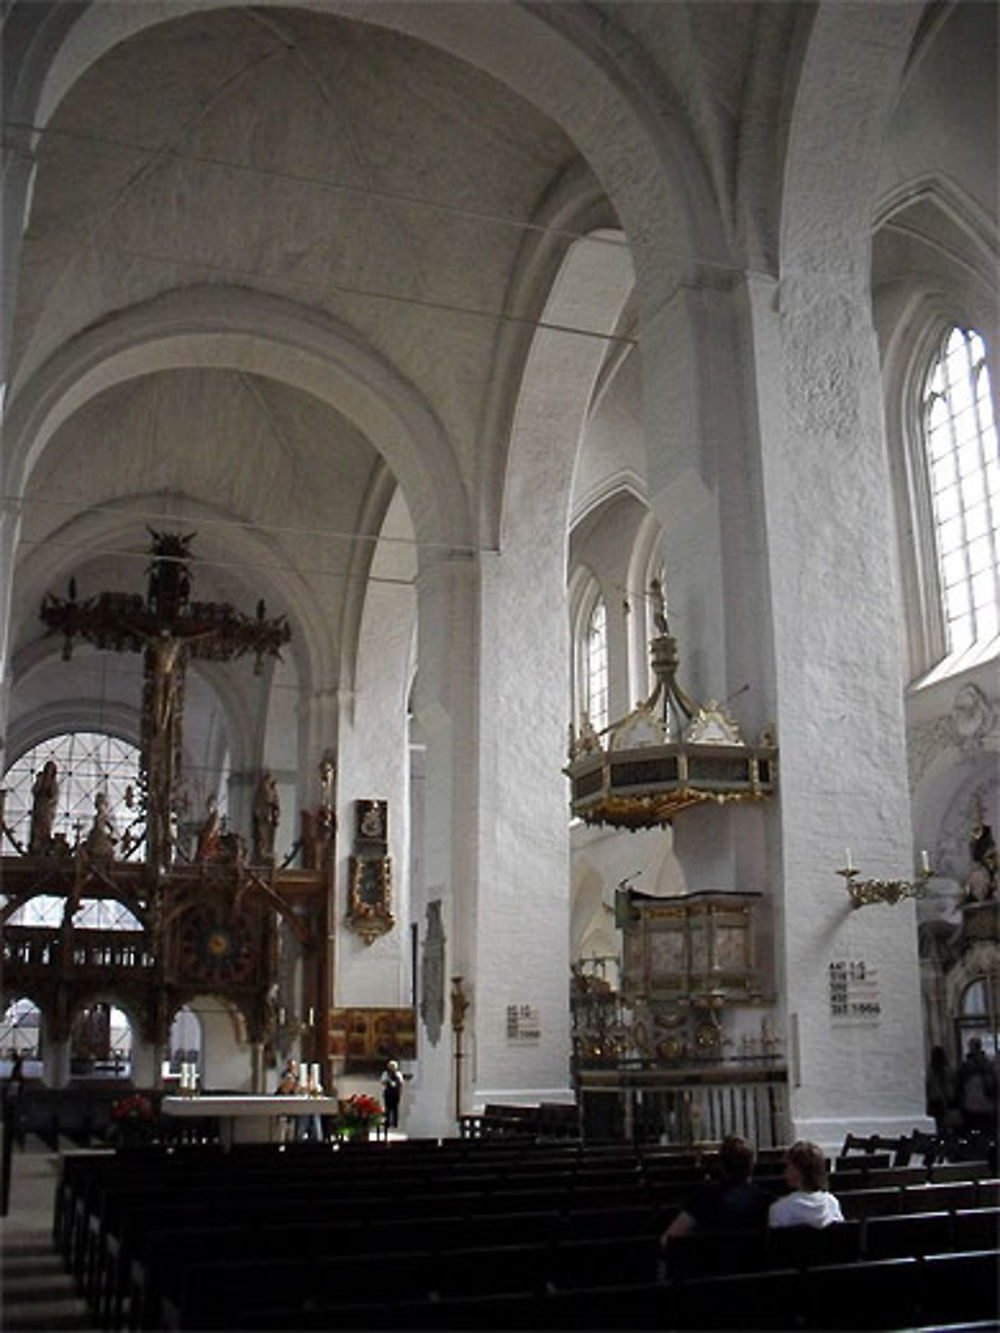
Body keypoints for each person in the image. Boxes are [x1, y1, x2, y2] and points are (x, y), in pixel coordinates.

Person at [662, 1135, 772, 1242]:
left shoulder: (702, 1200)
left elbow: (669, 1239)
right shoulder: (767, 1202)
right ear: (752, 1165)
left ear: (721, 1165)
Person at [768, 1140, 843, 1229]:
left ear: (798, 1172)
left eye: (788, 1166)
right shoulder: (832, 1204)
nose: (785, 1171)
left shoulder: (780, 1209)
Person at [955, 1037, 997, 1136]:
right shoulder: (988, 1065)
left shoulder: (965, 1067)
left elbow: (959, 1086)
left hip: (970, 1105)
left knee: (972, 1134)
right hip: (987, 1105)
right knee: (988, 1133)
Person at [28, 761, 59, 854]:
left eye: (51, 769)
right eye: (48, 768)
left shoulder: (54, 782)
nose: (49, 770)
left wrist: (49, 799)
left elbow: (55, 795)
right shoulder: (41, 779)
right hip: (39, 805)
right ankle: (36, 844)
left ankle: (44, 845)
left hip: (47, 808)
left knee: (45, 826)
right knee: (37, 825)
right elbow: (34, 790)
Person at [925, 1045, 956, 1136]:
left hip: (935, 1099)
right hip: (948, 1098)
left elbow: (928, 1085)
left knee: (938, 1122)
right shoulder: (949, 1069)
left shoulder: (930, 1071)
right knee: (948, 1122)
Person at [381, 1059, 403, 1129]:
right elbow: (382, 1081)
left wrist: (397, 1082)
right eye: (390, 1066)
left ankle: (395, 1123)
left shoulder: (398, 1074)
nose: (391, 1068)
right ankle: (387, 1122)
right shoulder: (385, 1073)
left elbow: (401, 1083)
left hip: (395, 1093)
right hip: (388, 1092)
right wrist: (388, 1081)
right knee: (387, 1108)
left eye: (393, 1066)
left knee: (395, 1108)